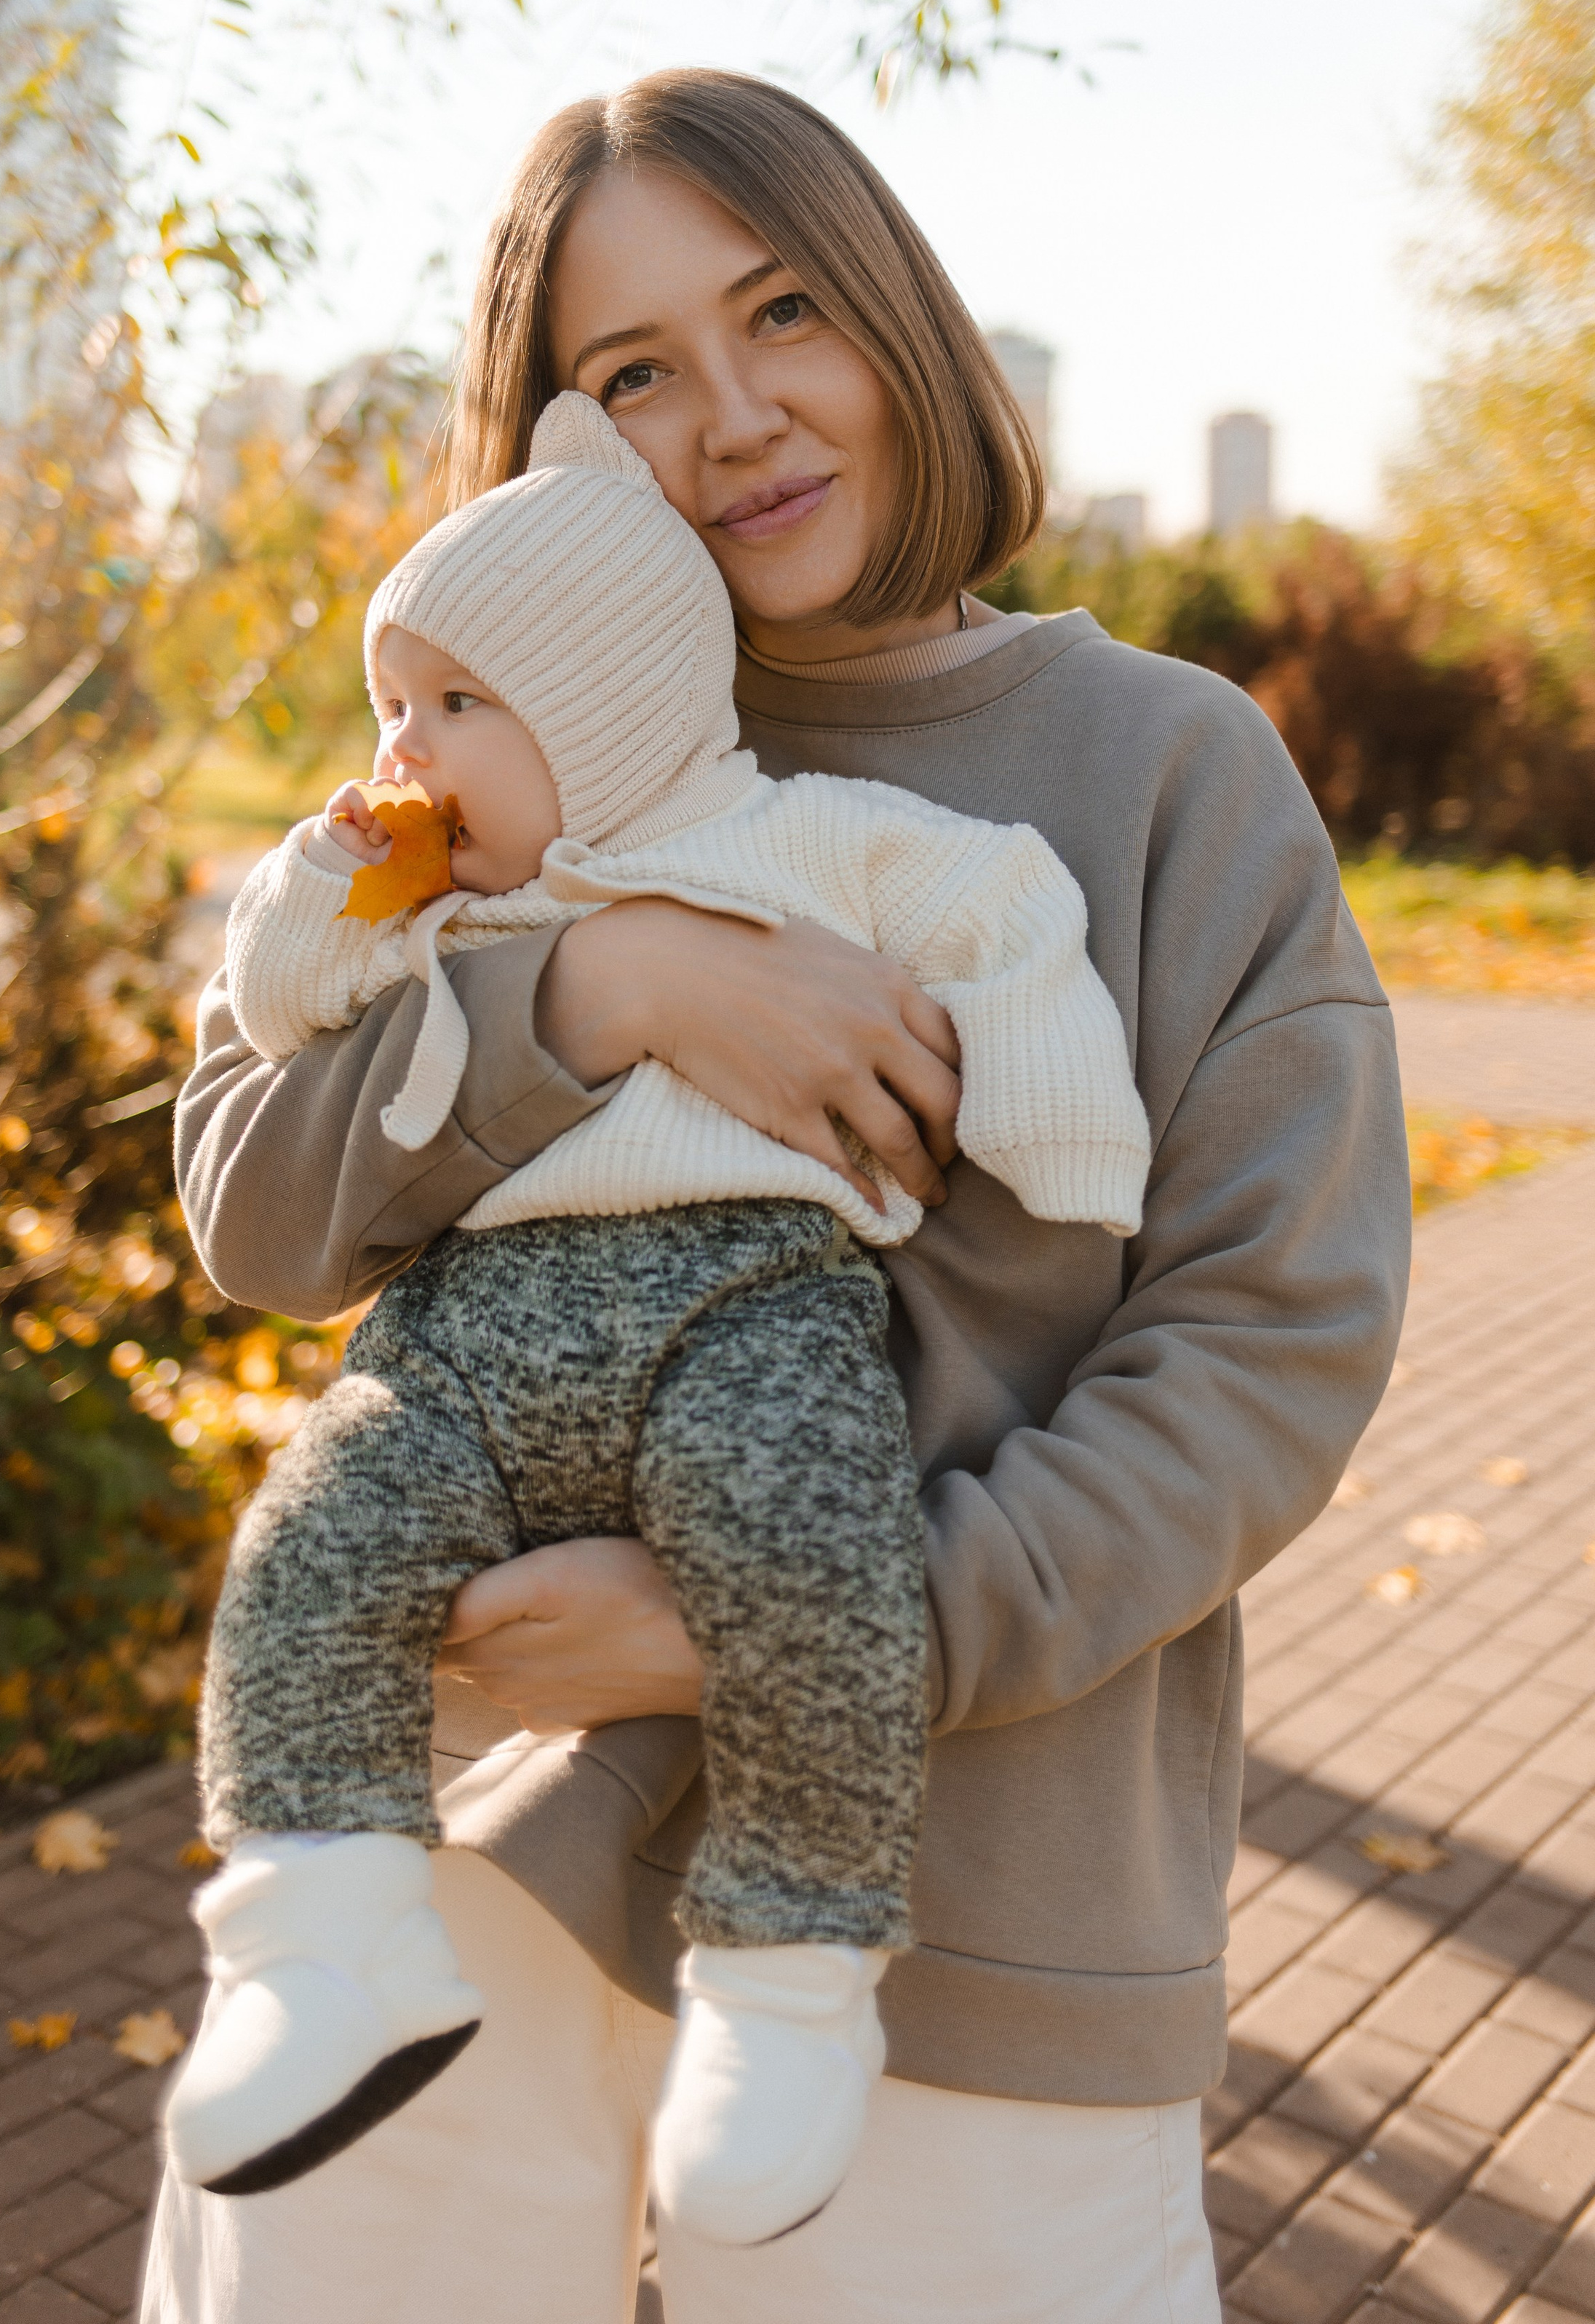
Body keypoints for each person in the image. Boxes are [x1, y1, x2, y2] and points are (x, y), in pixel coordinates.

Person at [143, 68, 1409, 2324]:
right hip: (465, 1828)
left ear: (901, 318)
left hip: (979, 1893)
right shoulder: (470, 775)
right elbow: (247, 1194)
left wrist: (852, 1616)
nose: (733, 416)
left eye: (786, 310)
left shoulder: (1160, 767)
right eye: (633, 370)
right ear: (554, 434)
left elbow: (1268, 1343)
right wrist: (607, 990)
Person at [168, 390, 1149, 2242]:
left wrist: (1053, 1123)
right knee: (307, 1549)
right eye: (396, 700)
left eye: (459, 706)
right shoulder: (439, 912)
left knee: (802, 1548)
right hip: (460, 1343)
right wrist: (330, 876)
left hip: (745, 1313)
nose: (406, 747)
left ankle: (790, 1974)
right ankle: (317, 1931)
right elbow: (277, 1016)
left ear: (605, 705)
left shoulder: (797, 843)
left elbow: (990, 902)